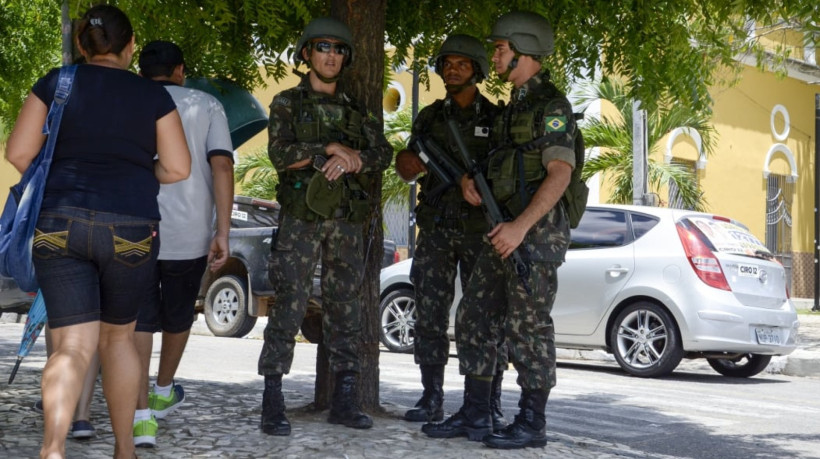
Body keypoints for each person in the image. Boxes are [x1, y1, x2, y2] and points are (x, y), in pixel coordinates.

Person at [4, 4, 191, 458]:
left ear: (80, 46)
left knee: (71, 345)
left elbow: (19, 153)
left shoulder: (57, 82)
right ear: (129, 47)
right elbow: (179, 167)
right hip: (130, 226)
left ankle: (52, 450)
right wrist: (137, 173)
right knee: (119, 338)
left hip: (59, 223)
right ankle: (125, 450)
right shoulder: (152, 96)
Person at [447, 11, 577, 450]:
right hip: (500, 231)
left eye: (500, 48)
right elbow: (500, 166)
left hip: (531, 239)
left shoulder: (552, 107)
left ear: (523, 50)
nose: (495, 55)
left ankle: (531, 422)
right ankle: (477, 412)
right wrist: (471, 183)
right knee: (474, 316)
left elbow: (559, 173)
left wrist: (520, 229)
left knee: (529, 327)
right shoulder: (513, 107)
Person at [257, 16, 392, 436]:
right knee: (291, 301)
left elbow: (383, 154)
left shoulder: (358, 112)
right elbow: (280, 154)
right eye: (323, 47)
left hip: (346, 223)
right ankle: (272, 398)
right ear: (306, 54)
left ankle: (346, 398)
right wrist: (326, 149)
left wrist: (355, 158)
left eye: (338, 49)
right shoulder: (286, 103)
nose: (331, 55)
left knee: (345, 305)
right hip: (301, 220)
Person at [394, 35, 509, 430]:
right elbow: (407, 164)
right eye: (447, 63)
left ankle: (488, 400)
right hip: (438, 229)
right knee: (428, 313)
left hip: (481, 233)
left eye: (462, 63)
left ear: (476, 70)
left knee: (487, 318)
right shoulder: (429, 118)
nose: (452, 69)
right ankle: (431, 397)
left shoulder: (496, 119)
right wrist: (410, 164)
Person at [132, 40, 234, 448]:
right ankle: (162, 388)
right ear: (180, 70)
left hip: (133, 225)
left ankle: (141, 417)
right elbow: (222, 164)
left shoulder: (129, 99)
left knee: (137, 320)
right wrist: (222, 231)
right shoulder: (206, 104)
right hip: (190, 232)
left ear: (141, 71)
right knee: (178, 315)